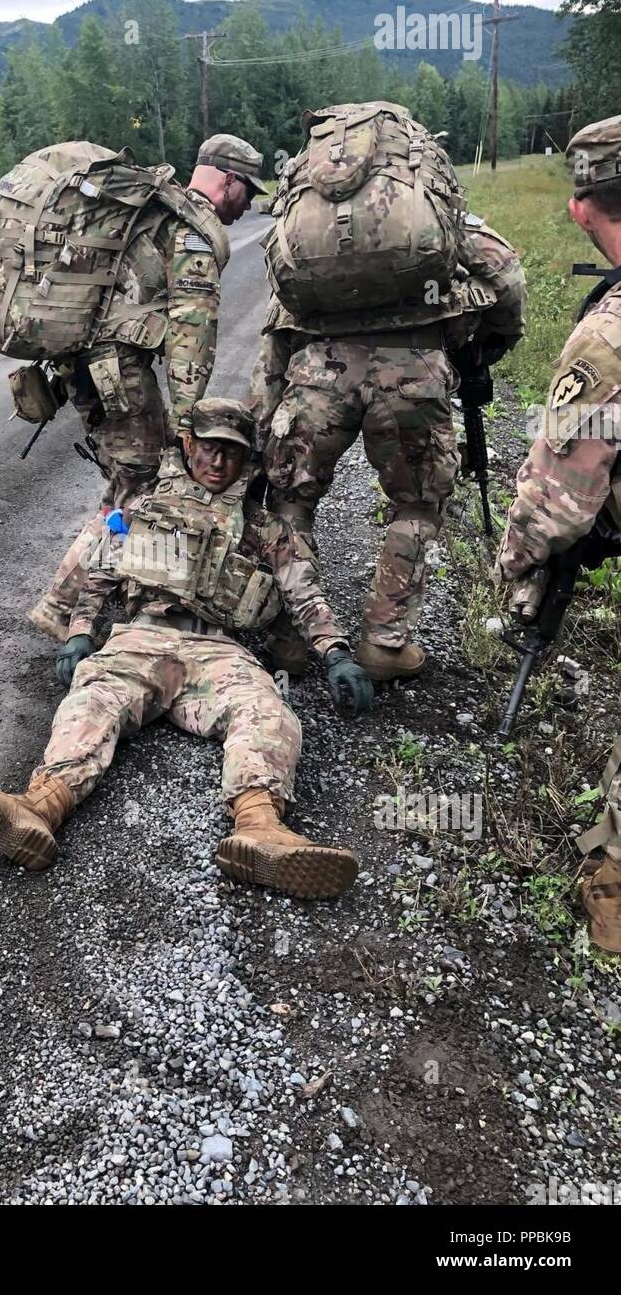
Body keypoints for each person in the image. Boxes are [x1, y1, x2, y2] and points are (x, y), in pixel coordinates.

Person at [0, 399, 372, 898]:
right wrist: (80, 630)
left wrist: (336, 652)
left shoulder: (263, 528)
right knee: (93, 699)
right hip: (141, 636)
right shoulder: (143, 505)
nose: (218, 463)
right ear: (188, 445)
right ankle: (38, 808)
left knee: (265, 710)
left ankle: (260, 828)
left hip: (217, 649)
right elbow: (102, 568)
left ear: (246, 460)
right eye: (209, 449)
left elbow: (303, 593)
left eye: (231, 454)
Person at [250, 105, 525, 682]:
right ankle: (383, 641)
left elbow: (277, 324)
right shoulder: (428, 217)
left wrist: (266, 406)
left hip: (317, 374)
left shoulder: (312, 234)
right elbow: (505, 276)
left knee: (292, 501)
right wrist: (487, 348)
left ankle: (294, 641)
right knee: (417, 503)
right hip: (412, 372)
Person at [29, 134, 268, 643]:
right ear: (227, 180)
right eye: (247, 191)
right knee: (142, 486)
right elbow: (190, 338)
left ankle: (82, 596)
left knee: (123, 482)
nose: (248, 205)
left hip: (87, 367)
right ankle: (61, 606)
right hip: (118, 373)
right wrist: (188, 427)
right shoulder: (192, 232)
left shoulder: (153, 212)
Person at [496, 115, 621, 954]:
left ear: (580, 209)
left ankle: (611, 890)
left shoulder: (607, 336)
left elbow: (555, 503)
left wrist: (511, 570)